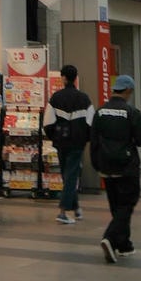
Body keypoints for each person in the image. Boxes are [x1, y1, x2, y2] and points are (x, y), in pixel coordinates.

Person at [89, 73, 141, 263]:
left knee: (116, 206)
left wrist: (97, 164)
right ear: (129, 90)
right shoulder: (131, 112)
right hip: (126, 167)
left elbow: (93, 140)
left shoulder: (100, 112)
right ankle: (109, 237)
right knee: (127, 204)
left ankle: (124, 244)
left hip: (106, 166)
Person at [43, 64, 94, 225]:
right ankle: (64, 212)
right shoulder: (84, 99)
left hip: (60, 142)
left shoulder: (56, 98)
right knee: (71, 174)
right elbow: (91, 123)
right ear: (75, 78)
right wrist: (85, 139)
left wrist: (55, 138)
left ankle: (75, 208)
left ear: (63, 78)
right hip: (77, 143)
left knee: (67, 174)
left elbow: (47, 123)